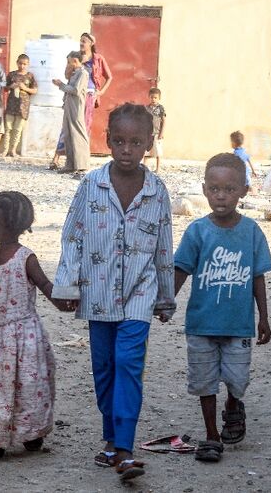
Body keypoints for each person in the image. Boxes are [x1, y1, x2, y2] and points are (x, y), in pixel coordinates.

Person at [52, 103, 175, 482]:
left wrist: (165, 297)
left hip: (140, 294)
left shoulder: (157, 192)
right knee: (104, 370)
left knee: (129, 365)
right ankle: (110, 438)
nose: (126, 149)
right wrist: (67, 284)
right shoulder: (91, 185)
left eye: (135, 142)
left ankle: (124, 447)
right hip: (97, 294)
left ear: (148, 144)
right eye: (119, 141)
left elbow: (164, 248)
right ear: (107, 141)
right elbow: (72, 236)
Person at [173, 153, 271, 463]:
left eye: (229, 189)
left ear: (243, 190)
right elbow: (181, 270)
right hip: (202, 323)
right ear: (204, 190)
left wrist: (264, 319)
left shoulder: (252, 232)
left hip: (238, 324)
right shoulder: (197, 232)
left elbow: (257, 277)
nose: (221, 196)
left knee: (237, 379)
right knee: (204, 381)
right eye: (214, 189)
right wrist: (166, 301)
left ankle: (233, 404)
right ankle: (211, 435)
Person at [0, 191, 57, 462]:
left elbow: (45, 285)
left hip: (23, 336)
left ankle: (31, 433)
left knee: (28, 386)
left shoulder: (26, 258)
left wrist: (64, 299)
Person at [52, 52, 89, 177]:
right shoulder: (75, 74)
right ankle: (70, 164)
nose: (68, 65)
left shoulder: (83, 74)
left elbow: (76, 90)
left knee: (77, 134)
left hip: (76, 107)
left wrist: (61, 85)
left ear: (75, 60)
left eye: (69, 62)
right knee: (68, 134)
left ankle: (81, 165)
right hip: (69, 105)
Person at [70, 32, 113, 133]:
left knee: (85, 122)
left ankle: (83, 146)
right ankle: (72, 146)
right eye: (80, 41)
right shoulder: (75, 56)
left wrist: (100, 92)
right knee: (73, 121)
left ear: (91, 43)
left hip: (89, 94)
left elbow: (109, 77)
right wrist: (77, 63)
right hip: (75, 92)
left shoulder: (98, 59)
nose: (81, 43)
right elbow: (67, 75)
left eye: (84, 41)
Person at [0, 54, 37, 158]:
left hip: (23, 107)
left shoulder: (30, 76)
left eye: (24, 64)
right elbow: (5, 88)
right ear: (17, 63)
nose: (22, 66)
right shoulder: (12, 75)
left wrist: (24, 88)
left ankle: (13, 150)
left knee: (17, 129)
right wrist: (11, 86)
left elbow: (34, 90)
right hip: (11, 105)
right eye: (20, 63)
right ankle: (5, 150)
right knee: (8, 129)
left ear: (28, 64)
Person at [146, 88, 166, 172]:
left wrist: (161, 133)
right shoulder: (147, 108)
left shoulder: (160, 108)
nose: (153, 99)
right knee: (146, 151)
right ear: (149, 97)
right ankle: (144, 167)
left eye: (155, 98)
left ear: (159, 98)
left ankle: (157, 168)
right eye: (152, 97)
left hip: (157, 133)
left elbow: (164, 121)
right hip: (148, 134)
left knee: (158, 151)